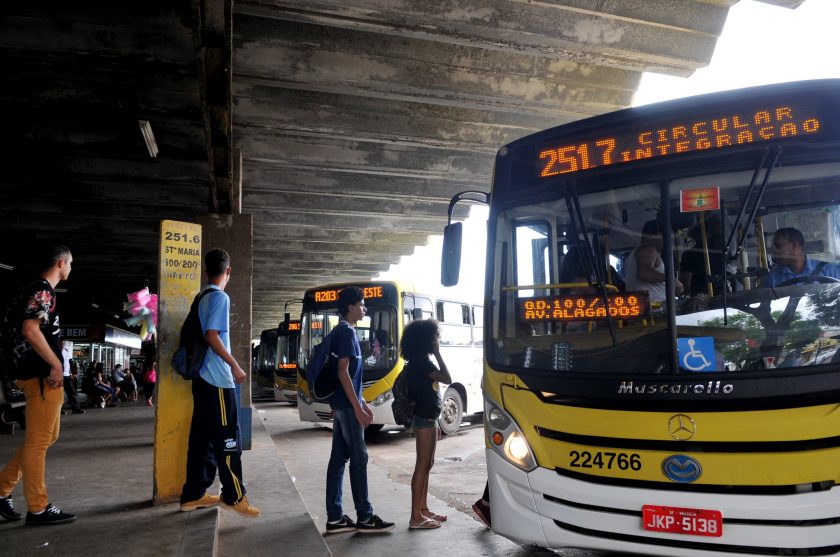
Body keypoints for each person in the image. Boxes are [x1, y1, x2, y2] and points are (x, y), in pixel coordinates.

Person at [179, 248, 260, 518]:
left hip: (202, 380)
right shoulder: (220, 298)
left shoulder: (201, 297)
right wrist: (235, 364)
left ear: (206, 270)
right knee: (228, 439)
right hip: (217, 382)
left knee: (201, 440)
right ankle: (234, 495)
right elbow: (212, 336)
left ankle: (193, 494)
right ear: (228, 272)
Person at [0, 245, 77, 525]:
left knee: (46, 437)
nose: (71, 269)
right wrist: (56, 365)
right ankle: (38, 507)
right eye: (70, 264)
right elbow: (30, 330)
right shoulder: (43, 289)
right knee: (38, 442)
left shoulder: (34, 289)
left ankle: (1, 489)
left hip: (35, 374)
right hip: (40, 375)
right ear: (60, 263)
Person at [324, 286, 395, 534]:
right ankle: (364, 516)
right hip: (346, 407)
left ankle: (335, 518)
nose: (365, 308)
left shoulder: (341, 331)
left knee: (338, 459)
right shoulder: (347, 332)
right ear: (351, 307)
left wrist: (362, 402)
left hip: (342, 404)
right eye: (362, 304)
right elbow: (343, 372)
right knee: (359, 457)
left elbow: (349, 377)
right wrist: (358, 408)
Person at [401, 319, 451, 530]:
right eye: (435, 337)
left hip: (428, 418)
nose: (436, 340)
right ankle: (415, 517)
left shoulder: (417, 362)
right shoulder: (422, 363)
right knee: (422, 464)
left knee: (427, 463)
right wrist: (438, 353)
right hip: (423, 418)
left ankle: (423, 509)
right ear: (426, 340)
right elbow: (448, 378)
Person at [624, 219, 684, 302]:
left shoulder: (635, 253)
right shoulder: (647, 249)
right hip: (656, 307)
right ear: (654, 235)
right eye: (665, 235)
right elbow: (644, 273)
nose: (668, 239)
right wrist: (671, 278)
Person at [766, 227, 840, 287]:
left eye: (777, 246)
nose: (774, 251)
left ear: (794, 246)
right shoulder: (772, 279)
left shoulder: (830, 272)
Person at [60, 341, 83, 415]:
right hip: (60, 375)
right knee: (60, 394)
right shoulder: (55, 350)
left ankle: (76, 408)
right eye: (60, 343)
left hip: (67, 375)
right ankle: (60, 410)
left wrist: (72, 373)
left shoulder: (66, 351)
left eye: (63, 343)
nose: (62, 345)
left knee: (72, 393)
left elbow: (70, 362)